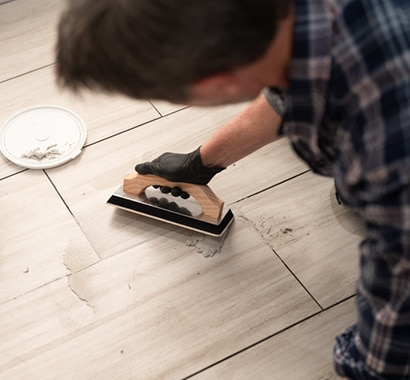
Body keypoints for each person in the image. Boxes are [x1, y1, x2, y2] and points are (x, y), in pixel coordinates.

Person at [55, 0, 410, 378]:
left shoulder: (382, 149)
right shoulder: (300, 23)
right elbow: (289, 86)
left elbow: (398, 299)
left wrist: (360, 365)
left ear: (217, 82)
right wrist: (201, 163)